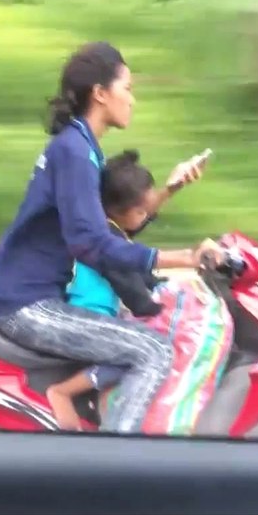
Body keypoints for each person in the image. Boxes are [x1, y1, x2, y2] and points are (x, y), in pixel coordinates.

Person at [0, 41, 220, 434]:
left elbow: (107, 226)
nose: (133, 100)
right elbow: (92, 244)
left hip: (23, 293)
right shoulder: (76, 153)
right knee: (154, 350)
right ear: (101, 93)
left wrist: (169, 190)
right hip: (26, 304)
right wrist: (187, 258)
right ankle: (116, 464)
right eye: (127, 88)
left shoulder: (81, 147)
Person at [46, 149, 166, 430]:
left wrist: (167, 286)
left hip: (97, 313)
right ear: (119, 210)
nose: (146, 216)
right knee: (137, 354)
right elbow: (134, 293)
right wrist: (158, 305)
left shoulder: (110, 231)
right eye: (141, 211)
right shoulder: (108, 241)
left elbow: (139, 274)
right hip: (88, 314)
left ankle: (100, 415)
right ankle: (63, 392)